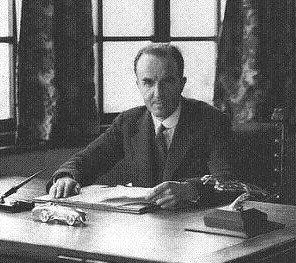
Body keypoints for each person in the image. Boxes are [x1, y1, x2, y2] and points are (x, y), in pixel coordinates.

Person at [47, 43, 237, 209]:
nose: (158, 93)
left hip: (194, 230)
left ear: (181, 83)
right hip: (142, 229)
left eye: (167, 81)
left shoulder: (212, 121)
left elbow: (229, 182)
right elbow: (87, 159)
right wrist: (66, 176)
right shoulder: (128, 122)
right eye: (148, 82)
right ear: (138, 84)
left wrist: (191, 190)